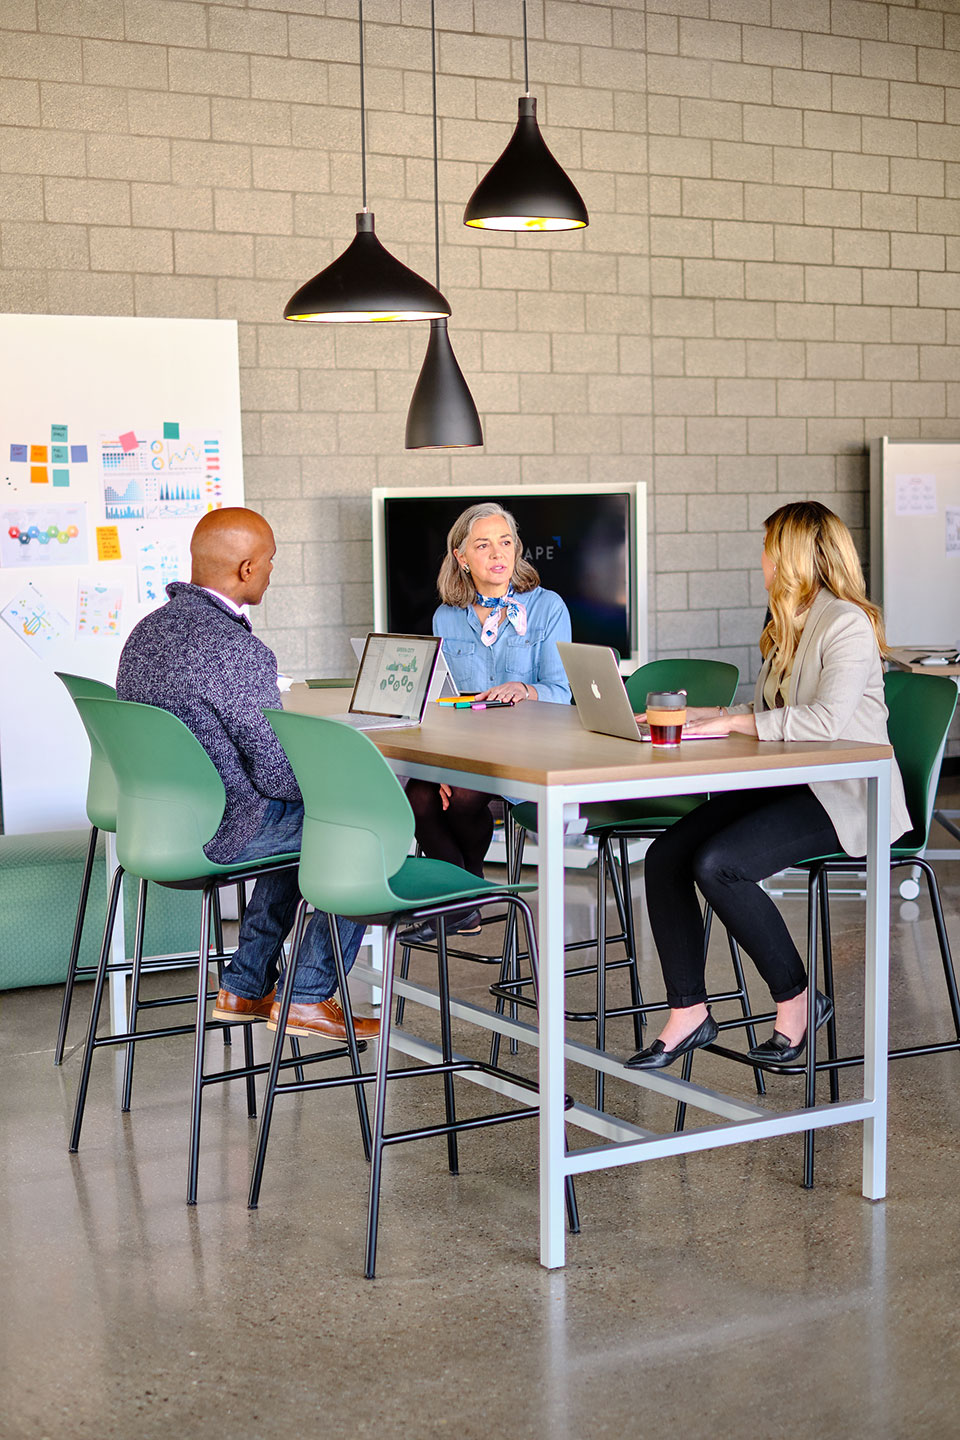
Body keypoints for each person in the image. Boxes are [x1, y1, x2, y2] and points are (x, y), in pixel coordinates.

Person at [627, 500, 910, 1070]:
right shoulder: (787, 620)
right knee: (665, 856)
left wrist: (734, 722)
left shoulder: (846, 622)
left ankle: (799, 999)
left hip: (845, 792)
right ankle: (689, 1013)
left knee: (719, 864)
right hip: (789, 781)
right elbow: (772, 708)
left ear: (795, 556)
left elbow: (826, 720)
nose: (760, 559)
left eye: (767, 548)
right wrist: (706, 715)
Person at [115, 507, 379, 1042]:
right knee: (359, 825)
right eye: (271, 562)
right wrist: (340, 781)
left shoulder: (144, 633)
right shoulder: (236, 649)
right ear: (245, 568)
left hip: (154, 828)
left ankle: (246, 984)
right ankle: (308, 996)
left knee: (308, 820)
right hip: (216, 831)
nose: (272, 572)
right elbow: (275, 774)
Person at [402, 502, 572, 943]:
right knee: (418, 795)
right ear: (462, 557)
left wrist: (526, 690)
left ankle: (459, 903)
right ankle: (468, 898)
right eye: (483, 545)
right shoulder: (447, 616)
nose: (498, 553)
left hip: (529, 752)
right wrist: (437, 764)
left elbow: (561, 692)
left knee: (460, 793)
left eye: (506, 542)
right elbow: (444, 701)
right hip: (469, 752)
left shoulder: (548, 607)